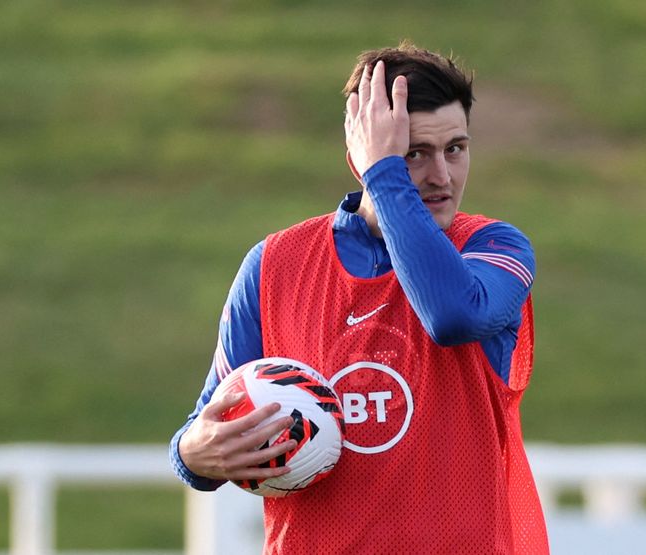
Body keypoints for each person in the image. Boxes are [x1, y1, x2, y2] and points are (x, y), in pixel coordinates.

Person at [170, 42, 549, 554]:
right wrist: (192, 454)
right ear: (361, 156)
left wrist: (387, 175)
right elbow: (209, 424)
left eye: (455, 149)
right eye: (414, 154)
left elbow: (452, 314)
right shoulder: (273, 265)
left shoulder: (493, 247)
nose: (442, 176)